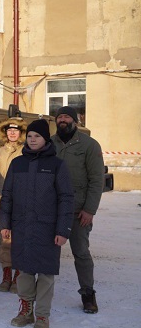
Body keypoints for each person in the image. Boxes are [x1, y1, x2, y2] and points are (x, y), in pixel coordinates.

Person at [0, 119, 74, 328]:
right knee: (24, 273)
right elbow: (7, 195)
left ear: (45, 139)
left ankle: (42, 315)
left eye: (37, 136)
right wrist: (4, 222)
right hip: (22, 227)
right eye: (30, 136)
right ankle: (25, 310)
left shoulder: (57, 165)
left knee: (46, 274)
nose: (32, 140)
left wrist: (62, 230)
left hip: (47, 228)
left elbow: (66, 198)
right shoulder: (18, 163)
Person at [51, 106, 105, 314]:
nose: (63, 120)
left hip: (78, 211)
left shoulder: (89, 145)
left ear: (76, 120)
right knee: (48, 252)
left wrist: (90, 210)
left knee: (81, 253)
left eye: (67, 116)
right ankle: (43, 292)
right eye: (60, 117)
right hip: (53, 210)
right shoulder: (50, 144)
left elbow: (96, 180)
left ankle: (88, 295)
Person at [0, 117, 27, 292]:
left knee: (20, 242)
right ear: (5, 133)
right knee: (5, 243)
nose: (12, 133)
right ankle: (6, 275)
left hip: (22, 205)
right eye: (9, 130)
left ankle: (19, 276)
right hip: (1, 204)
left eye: (16, 130)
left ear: (21, 133)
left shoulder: (27, 152)